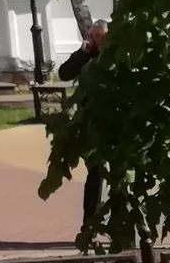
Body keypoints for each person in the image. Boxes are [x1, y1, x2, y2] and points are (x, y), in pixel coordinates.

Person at [57, 22, 107, 236]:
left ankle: (121, 225)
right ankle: (89, 224)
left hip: (115, 121)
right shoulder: (86, 55)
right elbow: (64, 73)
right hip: (91, 122)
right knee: (95, 172)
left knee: (121, 175)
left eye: (101, 36)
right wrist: (81, 52)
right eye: (95, 36)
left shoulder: (117, 55)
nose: (98, 40)